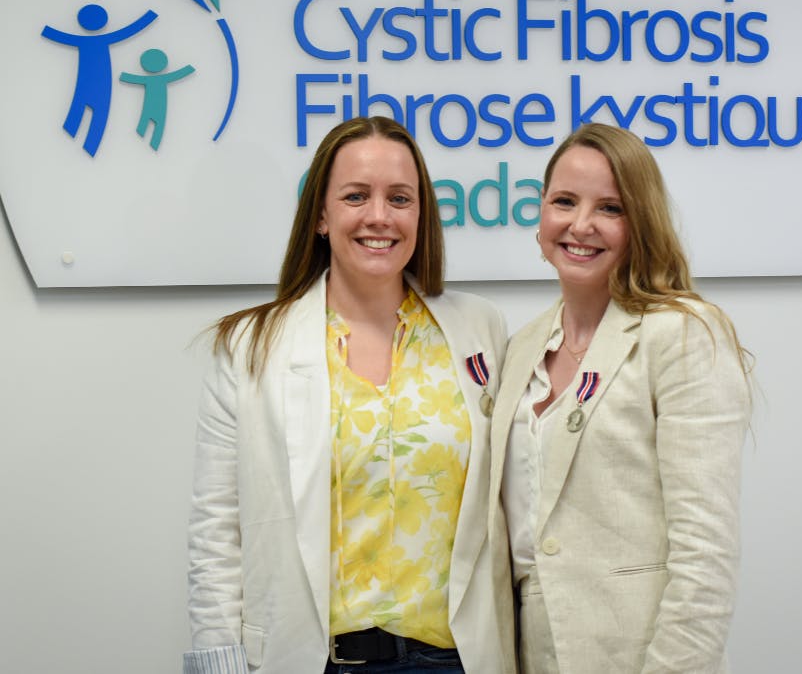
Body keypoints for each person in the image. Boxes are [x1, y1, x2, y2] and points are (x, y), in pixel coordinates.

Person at [183, 116, 516, 674]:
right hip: (315, 662)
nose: (379, 216)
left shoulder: (480, 330)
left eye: (400, 198)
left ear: (421, 215)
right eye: (356, 196)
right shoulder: (249, 347)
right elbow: (217, 532)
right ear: (320, 214)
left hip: (455, 661)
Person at [488, 123, 752, 673]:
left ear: (641, 224)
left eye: (610, 207)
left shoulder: (681, 334)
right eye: (564, 201)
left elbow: (705, 558)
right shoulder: (520, 350)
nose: (580, 225)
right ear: (540, 216)